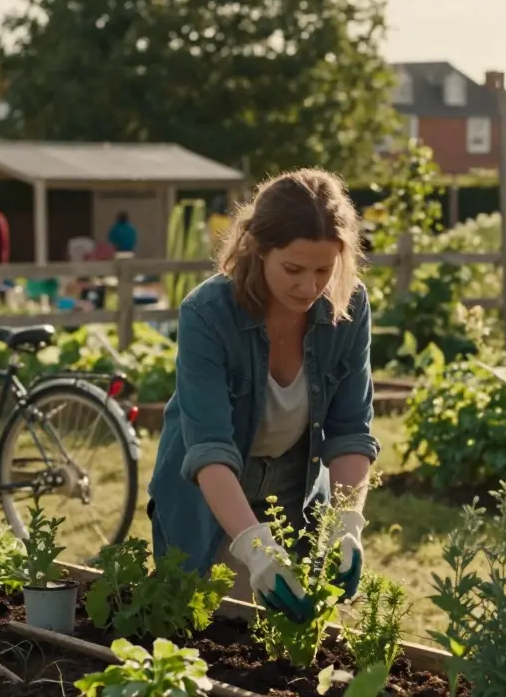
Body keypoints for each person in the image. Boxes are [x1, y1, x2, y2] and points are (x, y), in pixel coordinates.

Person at [145, 168, 378, 623]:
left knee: (294, 631)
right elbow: (209, 449)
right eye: (293, 269)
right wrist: (255, 550)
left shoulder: (348, 308)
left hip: (295, 489)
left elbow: (351, 430)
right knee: (212, 633)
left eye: (323, 270)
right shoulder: (207, 315)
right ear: (256, 247)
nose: (309, 287)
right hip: (206, 497)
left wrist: (346, 524)